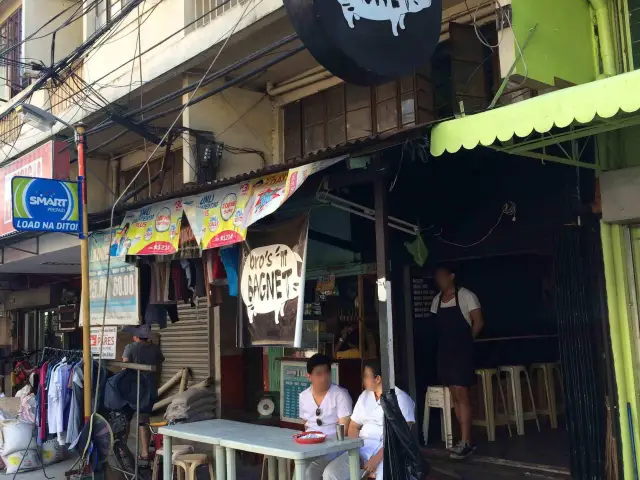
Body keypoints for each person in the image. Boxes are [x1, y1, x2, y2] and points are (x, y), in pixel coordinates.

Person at [323, 359, 415, 480]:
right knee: (331, 473)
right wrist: (355, 451)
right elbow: (353, 426)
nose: (363, 380)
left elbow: (401, 437)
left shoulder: (401, 399)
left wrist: (376, 460)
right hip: (362, 448)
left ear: (378, 379)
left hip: (388, 453)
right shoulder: (364, 396)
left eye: (366, 376)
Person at [431, 265, 484, 459]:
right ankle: (463, 442)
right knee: (454, 396)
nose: (439, 280)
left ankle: (467, 442)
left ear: (451, 276)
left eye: (442, 276)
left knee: (462, 395)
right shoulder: (436, 301)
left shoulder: (466, 296)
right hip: (445, 352)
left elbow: (478, 322)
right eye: (437, 277)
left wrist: (467, 343)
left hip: (462, 352)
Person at [299, 354, 353, 480]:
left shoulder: (340, 395)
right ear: (309, 376)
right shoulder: (303, 396)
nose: (324, 378)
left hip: (333, 448)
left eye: (327, 373)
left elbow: (344, 430)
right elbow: (306, 424)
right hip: (310, 446)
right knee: (299, 471)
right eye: (319, 374)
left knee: (310, 472)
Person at [122, 324, 165, 461]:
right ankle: (145, 452)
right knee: (144, 420)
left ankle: (122, 450)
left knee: (126, 419)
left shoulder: (130, 348)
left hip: (132, 390)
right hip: (149, 389)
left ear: (135, 336)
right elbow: (160, 363)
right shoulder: (155, 349)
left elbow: (125, 368)